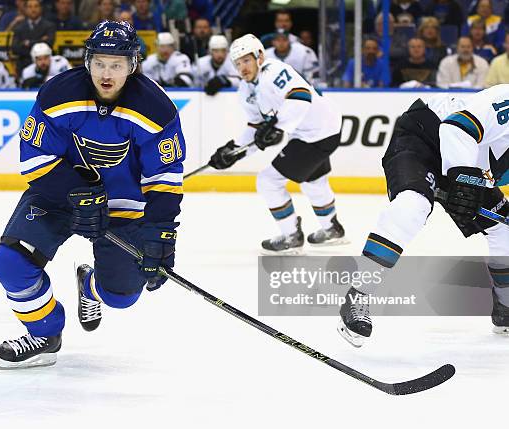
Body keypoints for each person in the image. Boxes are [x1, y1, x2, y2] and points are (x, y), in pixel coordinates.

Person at [0, 20, 186, 369]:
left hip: (124, 206)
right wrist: (77, 193)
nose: (106, 73)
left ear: (133, 65)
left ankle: (91, 287)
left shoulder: (156, 109)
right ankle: (45, 334)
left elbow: (165, 179)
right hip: (60, 195)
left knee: (121, 297)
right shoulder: (57, 94)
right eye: (99, 62)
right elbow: (35, 160)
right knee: (10, 263)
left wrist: (160, 234)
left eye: (116, 64)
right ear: (87, 60)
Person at [337, 86, 509, 347]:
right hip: (424, 138)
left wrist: (465, 182)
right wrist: (463, 183)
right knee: (412, 205)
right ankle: (358, 294)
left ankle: (505, 306)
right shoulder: (505, 101)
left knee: (503, 226)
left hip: (469, 166)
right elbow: (455, 127)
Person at [207, 34, 347, 252]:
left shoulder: (273, 70)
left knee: (268, 181)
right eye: (237, 63)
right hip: (318, 130)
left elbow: (300, 96)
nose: (242, 67)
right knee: (314, 180)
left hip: (317, 132)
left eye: (246, 60)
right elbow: (256, 128)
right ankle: (332, 229)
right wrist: (234, 151)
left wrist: (278, 127)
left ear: (259, 56)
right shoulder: (245, 91)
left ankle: (291, 235)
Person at [11, 0, 57, 74]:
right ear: (25, 9)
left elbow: (49, 44)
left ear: (41, 8)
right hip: (24, 64)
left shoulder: (49, 26)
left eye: (36, 6)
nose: (33, 9)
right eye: (30, 7)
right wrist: (40, 40)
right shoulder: (19, 28)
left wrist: (28, 43)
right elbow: (15, 48)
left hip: (46, 66)